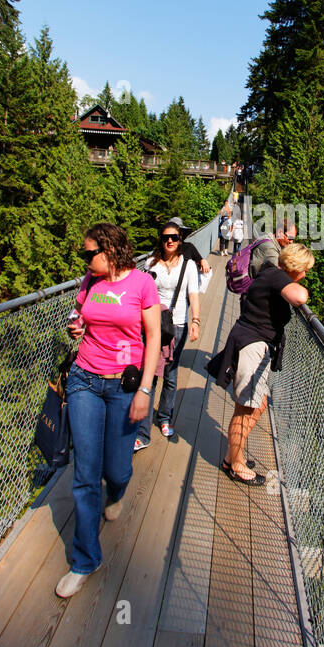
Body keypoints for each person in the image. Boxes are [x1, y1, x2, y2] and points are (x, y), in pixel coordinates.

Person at [56, 223, 160, 598]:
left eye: (89, 253)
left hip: (123, 385)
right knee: (85, 472)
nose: (85, 260)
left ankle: (117, 491)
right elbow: (81, 315)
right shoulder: (89, 282)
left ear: (111, 250)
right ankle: (85, 559)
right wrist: (77, 326)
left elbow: (154, 338)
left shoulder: (142, 284)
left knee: (116, 469)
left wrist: (145, 390)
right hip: (84, 379)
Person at [205, 243, 314, 484]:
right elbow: (299, 296)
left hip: (248, 341)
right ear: (294, 268)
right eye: (304, 270)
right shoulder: (277, 278)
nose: (306, 275)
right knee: (246, 409)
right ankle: (235, 465)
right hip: (252, 348)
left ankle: (233, 456)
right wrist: (298, 287)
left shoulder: (268, 270)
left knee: (257, 404)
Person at [134, 219, 203, 451]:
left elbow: (193, 294)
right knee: (150, 373)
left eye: (174, 237)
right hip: (152, 324)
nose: (170, 241)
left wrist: (196, 320)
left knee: (171, 374)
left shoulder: (189, 265)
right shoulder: (151, 263)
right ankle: (143, 432)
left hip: (178, 325)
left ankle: (164, 417)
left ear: (180, 238)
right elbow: (142, 292)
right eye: (166, 237)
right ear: (160, 240)